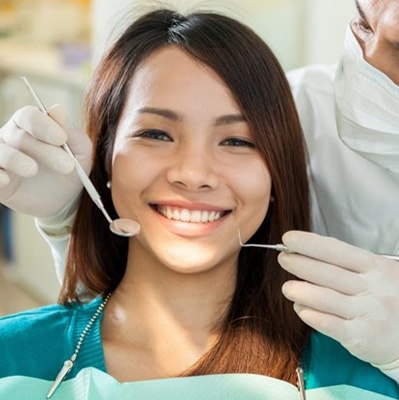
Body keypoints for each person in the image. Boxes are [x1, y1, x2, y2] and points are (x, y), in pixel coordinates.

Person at [0, 8, 397, 400]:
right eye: (155, 134)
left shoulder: (355, 377)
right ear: (104, 157)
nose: (193, 173)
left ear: (279, 174)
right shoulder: (14, 359)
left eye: (237, 141)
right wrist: (72, 216)